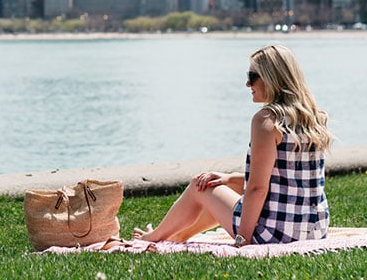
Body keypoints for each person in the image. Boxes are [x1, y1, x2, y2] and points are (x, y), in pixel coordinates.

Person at [133, 44, 332, 246]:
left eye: (253, 76)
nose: (247, 84)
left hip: (276, 234)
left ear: (272, 78)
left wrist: (242, 240)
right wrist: (228, 179)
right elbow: (287, 179)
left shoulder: (266, 120)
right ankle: (177, 236)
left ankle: (153, 237)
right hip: (315, 231)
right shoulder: (316, 118)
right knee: (220, 185)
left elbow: (257, 189)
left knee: (199, 186)